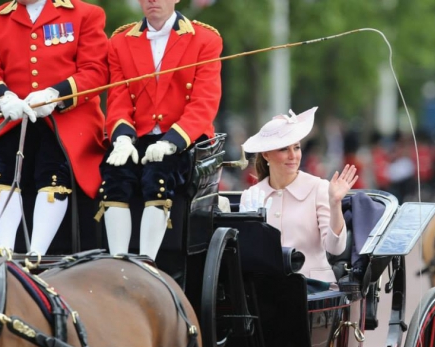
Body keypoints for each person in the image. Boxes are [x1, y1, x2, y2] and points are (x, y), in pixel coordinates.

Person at [95, 0, 222, 260]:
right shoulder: (119, 42)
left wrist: (171, 141)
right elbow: (118, 99)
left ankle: (146, 264)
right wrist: (121, 139)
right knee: (114, 174)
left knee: (158, 175)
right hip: (136, 136)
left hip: (182, 138)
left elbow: (204, 102)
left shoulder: (205, 39)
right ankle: (118, 263)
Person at [0, 0, 108, 254]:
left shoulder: (85, 14)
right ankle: (3, 253)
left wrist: (54, 94)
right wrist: (3, 96)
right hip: (12, 117)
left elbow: (96, 71)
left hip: (68, 118)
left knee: (53, 169)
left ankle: (37, 254)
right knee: (2, 170)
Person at [240, 107, 358, 283]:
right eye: (284, 149)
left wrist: (335, 204)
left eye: (296, 148)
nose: (293, 156)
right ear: (266, 154)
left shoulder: (319, 188)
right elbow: (247, 255)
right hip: (265, 292)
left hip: (314, 290)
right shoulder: (251, 196)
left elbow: (335, 248)